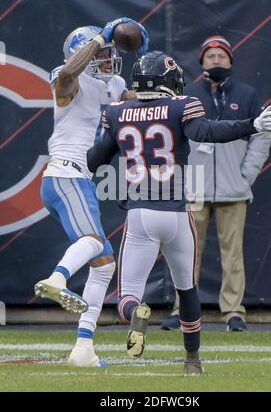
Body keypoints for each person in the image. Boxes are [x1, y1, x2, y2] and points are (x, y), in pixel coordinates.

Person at [87, 51, 271, 374]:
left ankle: (138, 310)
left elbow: (96, 159)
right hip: (178, 213)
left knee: (126, 298)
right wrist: (251, 124)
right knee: (187, 288)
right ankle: (192, 361)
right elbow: (208, 132)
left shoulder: (118, 112)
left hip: (140, 214)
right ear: (167, 83)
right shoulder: (181, 105)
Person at [34, 19, 149, 367]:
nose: (108, 58)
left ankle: (83, 349)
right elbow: (69, 75)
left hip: (79, 180)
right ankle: (57, 278)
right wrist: (99, 37)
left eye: (110, 52)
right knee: (94, 241)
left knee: (103, 264)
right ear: (82, 51)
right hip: (65, 174)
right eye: (101, 52)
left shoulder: (113, 83)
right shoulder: (67, 75)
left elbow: (138, 99)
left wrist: (158, 81)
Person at [161, 35, 271, 332]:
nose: (216, 60)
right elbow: (173, 135)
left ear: (231, 61)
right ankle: (181, 309)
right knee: (186, 252)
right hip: (194, 187)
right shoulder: (188, 94)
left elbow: (261, 135)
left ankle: (233, 311)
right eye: (210, 56)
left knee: (232, 253)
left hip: (232, 188)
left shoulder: (246, 94)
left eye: (222, 55)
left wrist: (245, 174)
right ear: (201, 62)